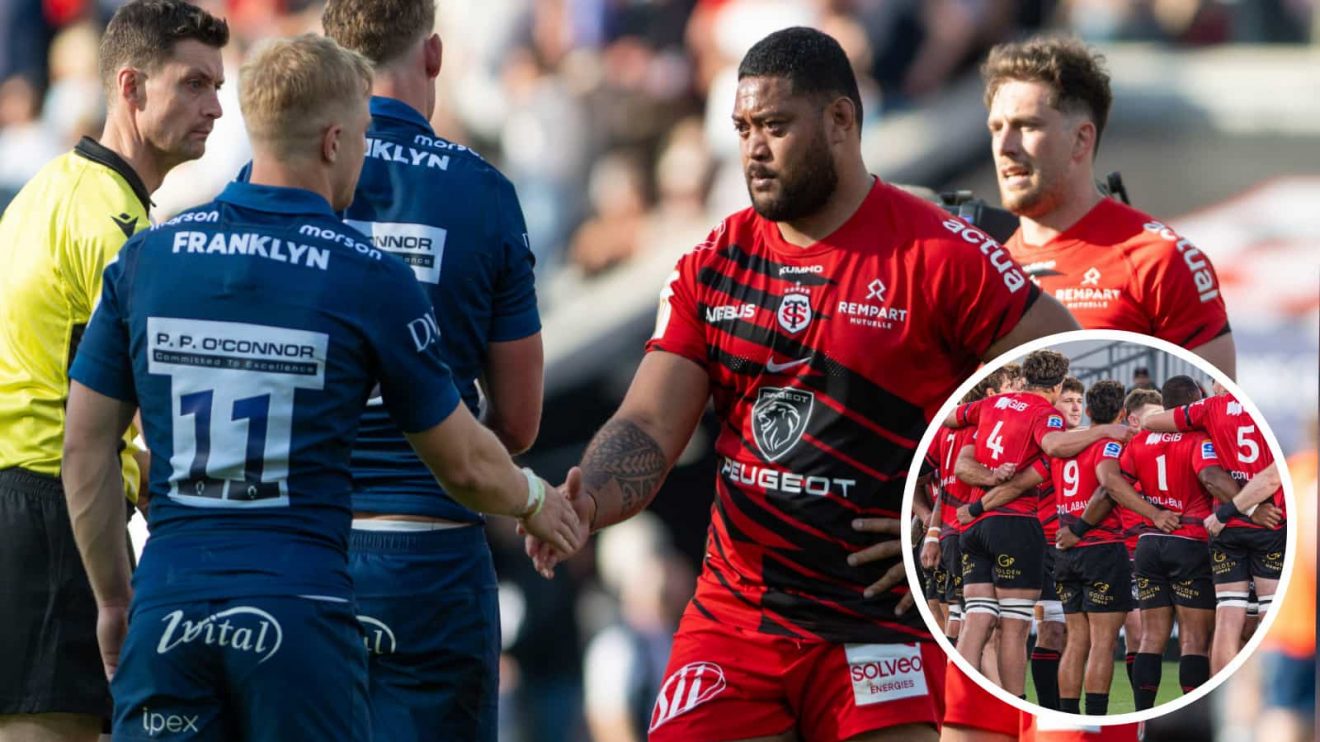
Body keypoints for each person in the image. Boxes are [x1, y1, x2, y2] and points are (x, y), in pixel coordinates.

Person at [533, 26, 1080, 742]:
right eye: (743, 129)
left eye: (775, 126)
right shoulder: (714, 262)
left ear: (841, 121)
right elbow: (648, 425)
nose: (754, 149)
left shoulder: (943, 256)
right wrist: (588, 499)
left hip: (879, 624)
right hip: (737, 621)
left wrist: (960, 520)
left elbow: (1068, 388)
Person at [60, 34, 580, 741]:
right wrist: (536, 501)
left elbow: (86, 447)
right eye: (363, 137)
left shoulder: (148, 256)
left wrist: (114, 601)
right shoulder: (366, 275)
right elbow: (462, 459)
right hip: (298, 614)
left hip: (169, 607)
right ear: (335, 141)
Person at [0, 2, 228, 739]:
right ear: (130, 87)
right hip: (49, 511)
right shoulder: (115, 227)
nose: (215, 108)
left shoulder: (50, 188)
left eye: (217, 87)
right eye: (193, 84)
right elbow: (102, 423)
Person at [319, 1, 543, 739]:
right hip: (429, 551)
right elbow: (519, 421)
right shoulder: (483, 192)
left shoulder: (279, 182)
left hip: (299, 548)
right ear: (435, 54)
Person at [982, 37, 1236, 377]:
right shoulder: (984, 267)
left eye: (1027, 126)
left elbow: (1214, 405)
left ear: (1081, 139)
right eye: (996, 128)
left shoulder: (1160, 261)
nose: (1004, 145)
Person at [944, 350, 1129, 699]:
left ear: (1025, 378)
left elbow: (950, 417)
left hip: (974, 528)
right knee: (1014, 627)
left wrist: (980, 469)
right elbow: (1054, 446)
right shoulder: (1045, 414)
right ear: (1056, 387)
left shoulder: (990, 404)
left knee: (977, 619)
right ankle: (1014, 706)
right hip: (1014, 525)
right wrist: (1104, 431)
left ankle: (957, 699)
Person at [1096, 380, 1231, 710]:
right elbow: (1211, 478)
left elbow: (1113, 486)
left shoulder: (1141, 440)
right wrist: (1245, 504)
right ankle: (1192, 714)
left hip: (1149, 544)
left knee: (1150, 639)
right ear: (1193, 404)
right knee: (1193, 640)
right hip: (1189, 541)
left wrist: (1153, 513)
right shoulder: (1198, 439)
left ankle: (1144, 716)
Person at [1141, 382, 1285, 673]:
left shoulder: (1210, 408)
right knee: (1270, 617)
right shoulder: (1275, 409)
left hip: (1225, 525)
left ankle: (1225, 691)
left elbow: (1149, 421)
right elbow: (1273, 476)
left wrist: (1191, 418)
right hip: (1270, 523)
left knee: (1228, 618)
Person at [1049, 379, 1136, 715]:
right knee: (1102, 643)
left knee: (1076, 641)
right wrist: (1080, 529)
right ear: (1123, 413)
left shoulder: (1066, 445)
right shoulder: (1110, 444)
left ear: (1086, 411)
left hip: (1065, 553)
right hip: (1100, 547)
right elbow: (1106, 489)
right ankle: (1096, 718)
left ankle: (1068, 715)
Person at [1030, 374, 1084, 710]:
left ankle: (1069, 708)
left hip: (1084, 550)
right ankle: (1050, 709)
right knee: (1051, 630)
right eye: (1068, 401)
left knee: (1077, 636)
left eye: (1079, 401)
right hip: (1046, 547)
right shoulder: (1043, 443)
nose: (1075, 407)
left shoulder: (1089, 442)